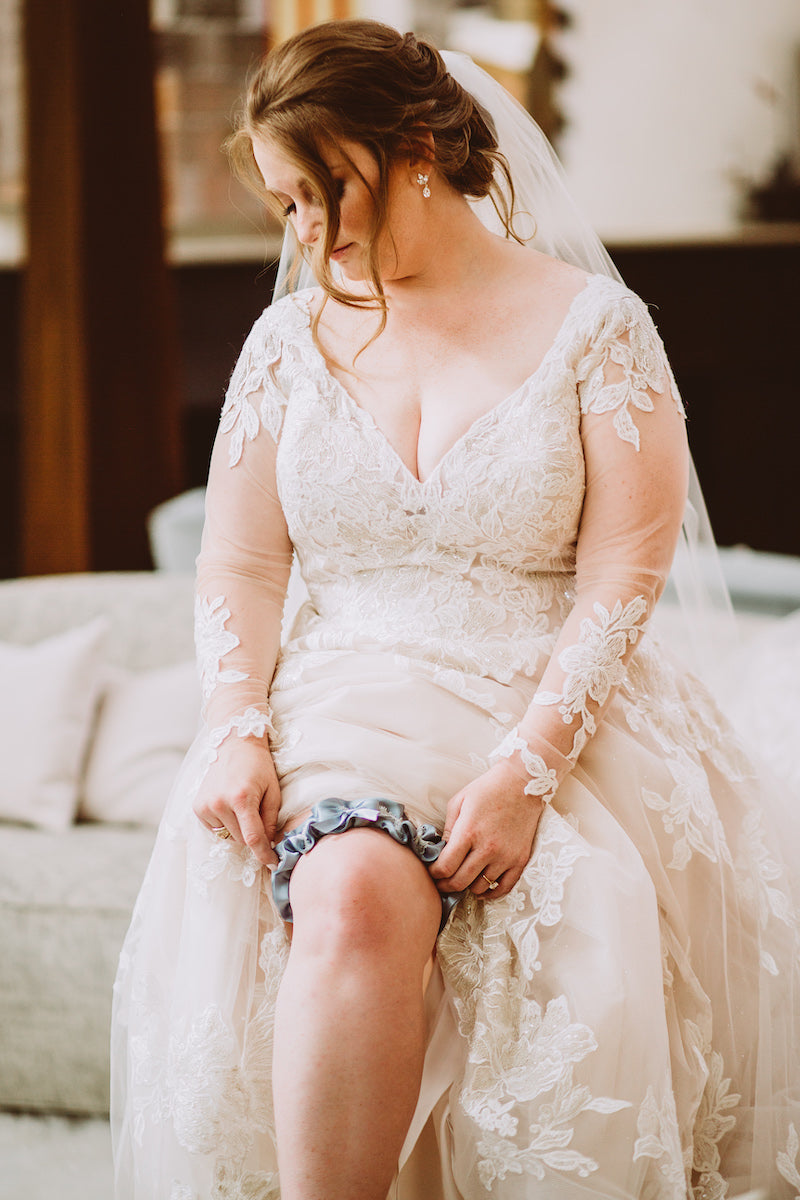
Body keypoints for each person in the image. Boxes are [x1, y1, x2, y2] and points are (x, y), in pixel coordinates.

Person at [111, 19, 800, 1200]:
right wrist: (233, 720)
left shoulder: (593, 329)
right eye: (285, 208)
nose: (310, 235)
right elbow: (240, 564)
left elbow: (622, 570)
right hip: (341, 698)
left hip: (544, 701)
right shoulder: (288, 340)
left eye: (325, 192)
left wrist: (528, 768)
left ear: (416, 145)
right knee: (349, 890)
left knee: (571, 915)